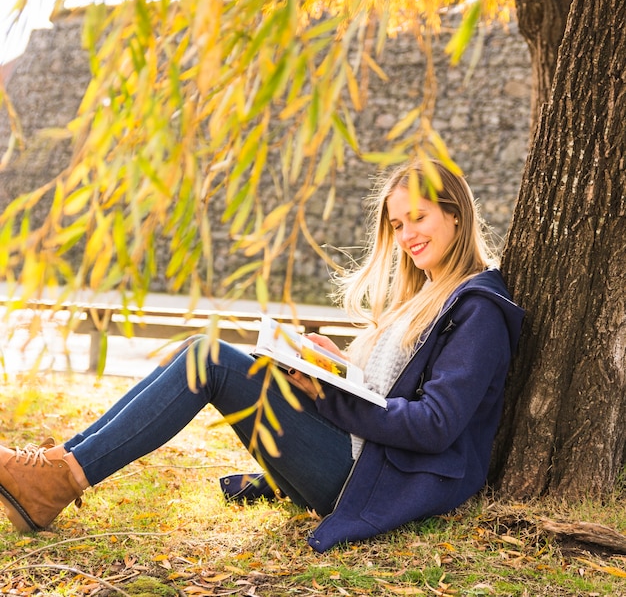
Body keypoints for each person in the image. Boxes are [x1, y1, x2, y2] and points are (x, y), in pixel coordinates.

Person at [0, 159, 524, 552]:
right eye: (396, 224)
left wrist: (332, 397)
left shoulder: (478, 310)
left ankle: (56, 479)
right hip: (355, 454)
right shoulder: (425, 297)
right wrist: (334, 365)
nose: (406, 235)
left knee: (209, 358)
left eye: (418, 218)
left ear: (455, 215)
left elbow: (434, 424)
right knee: (195, 350)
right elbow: (390, 388)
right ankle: (55, 467)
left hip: (371, 477)